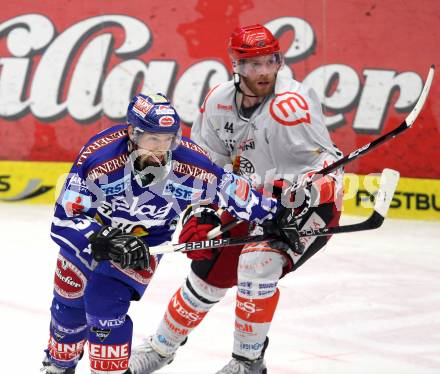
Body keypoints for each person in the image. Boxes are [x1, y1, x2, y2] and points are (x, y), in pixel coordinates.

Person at [129, 25, 344, 374]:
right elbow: (204, 167)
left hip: (307, 205)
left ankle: (247, 363)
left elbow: (327, 167)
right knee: (207, 272)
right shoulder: (218, 102)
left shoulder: (293, 104)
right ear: (236, 65)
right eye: (253, 63)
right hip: (252, 199)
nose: (264, 72)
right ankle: (160, 348)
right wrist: (200, 214)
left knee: (258, 263)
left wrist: (300, 197)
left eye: (271, 61)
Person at [41, 92, 301, 374]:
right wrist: (99, 238)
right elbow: (64, 218)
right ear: (132, 133)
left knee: (104, 302)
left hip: (144, 245)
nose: (162, 148)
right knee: (68, 308)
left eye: (169, 138)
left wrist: (273, 215)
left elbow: (232, 190)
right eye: (154, 138)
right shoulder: (99, 158)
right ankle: (58, 366)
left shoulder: (191, 163)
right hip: (94, 238)